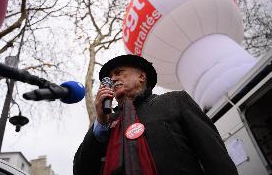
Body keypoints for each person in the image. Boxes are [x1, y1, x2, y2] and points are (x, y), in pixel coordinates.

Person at [73, 54, 238, 175]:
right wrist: (101, 123)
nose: (113, 78)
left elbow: (215, 157)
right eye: (109, 78)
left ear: (141, 77)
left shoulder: (175, 101)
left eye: (119, 72)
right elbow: (81, 170)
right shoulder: (106, 124)